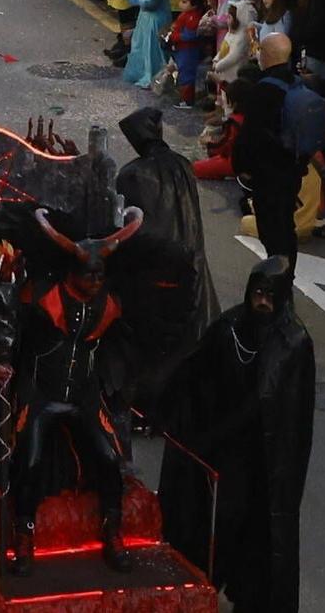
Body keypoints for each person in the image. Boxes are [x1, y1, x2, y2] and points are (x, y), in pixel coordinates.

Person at [161, 257, 315, 613]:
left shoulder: (292, 342)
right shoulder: (228, 327)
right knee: (220, 521)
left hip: (266, 455)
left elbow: (288, 410)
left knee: (260, 529)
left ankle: (252, 596)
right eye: (257, 293)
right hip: (227, 450)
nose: (262, 302)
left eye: (270, 295)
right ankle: (207, 582)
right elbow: (194, 373)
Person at [116, 106, 218, 418]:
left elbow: (129, 226)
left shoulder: (133, 173)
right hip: (189, 255)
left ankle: (150, 408)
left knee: (153, 343)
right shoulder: (182, 165)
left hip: (156, 267)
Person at [238, 34, 304, 263]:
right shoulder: (297, 83)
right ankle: (286, 278)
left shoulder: (262, 90)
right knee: (286, 227)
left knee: (271, 230)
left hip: (268, 171)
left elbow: (249, 134)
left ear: (265, 55)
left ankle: (277, 282)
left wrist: (242, 167)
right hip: (294, 167)